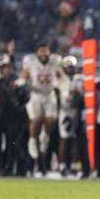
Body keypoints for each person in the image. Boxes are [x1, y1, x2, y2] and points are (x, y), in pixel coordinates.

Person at [20, 42, 61, 175]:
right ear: (36, 53)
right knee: (36, 120)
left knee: (51, 119)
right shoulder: (30, 61)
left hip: (49, 93)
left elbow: (61, 74)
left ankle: (45, 135)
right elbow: (24, 75)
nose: (44, 53)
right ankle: (32, 140)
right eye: (41, 51)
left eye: (46, 51)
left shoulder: (56, 60)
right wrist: (21, 82)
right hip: (35, 94)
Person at [56, 55, 83, 177]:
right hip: (64, 110)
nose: (70, 69)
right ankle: (62, 164)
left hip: (77, 110)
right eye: (67, 67)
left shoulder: (80, 79)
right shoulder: (60, 80)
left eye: (71, 67)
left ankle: (73, 164)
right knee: (65, 138)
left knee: (76, 138)